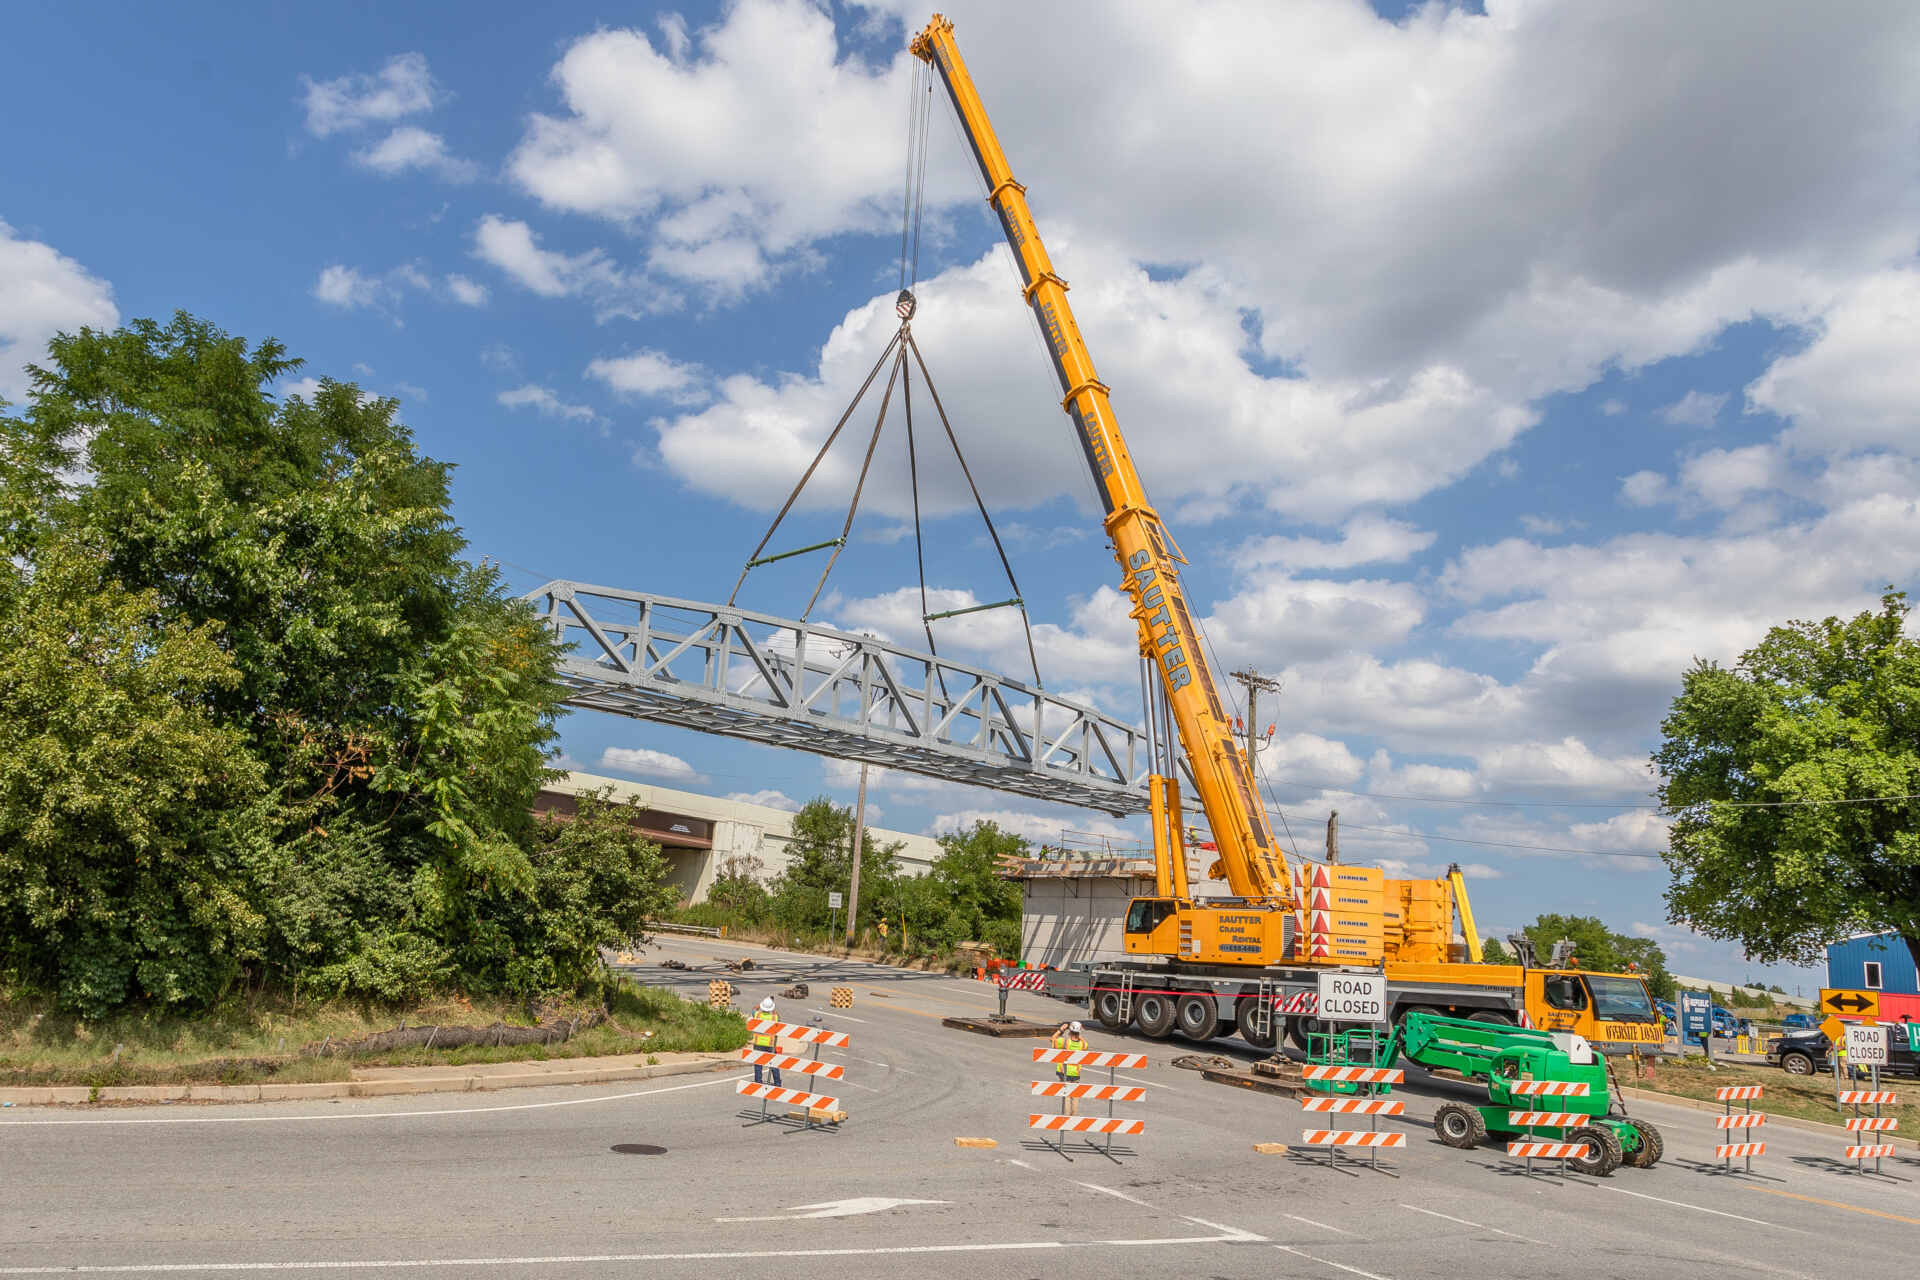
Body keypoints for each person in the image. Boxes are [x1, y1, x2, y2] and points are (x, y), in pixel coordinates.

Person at [1052, 1020, 1089, 1116]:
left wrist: (1061, 1029)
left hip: (1064, 1072)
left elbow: (1053, 1039)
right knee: (1075, 1095)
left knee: (1067, 1096)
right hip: (1076, 1073)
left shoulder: (1064, 1042)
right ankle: (1074, 1116)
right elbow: (1085, 1043)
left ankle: (1066, 1117)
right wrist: (1078, 1034)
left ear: (1069, 1031)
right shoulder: (1083, 1045)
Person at [753, 996, 781, 1087]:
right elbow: (778, 1017)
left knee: (758, 1063)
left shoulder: (757, 1015)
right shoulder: (774, 1018)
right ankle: (777, 1082)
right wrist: (773, 1009)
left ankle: (758, 1081)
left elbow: (753, 1010)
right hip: (770, 1044)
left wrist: (758, 1006)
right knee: (773, 1063)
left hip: (758, 1043)